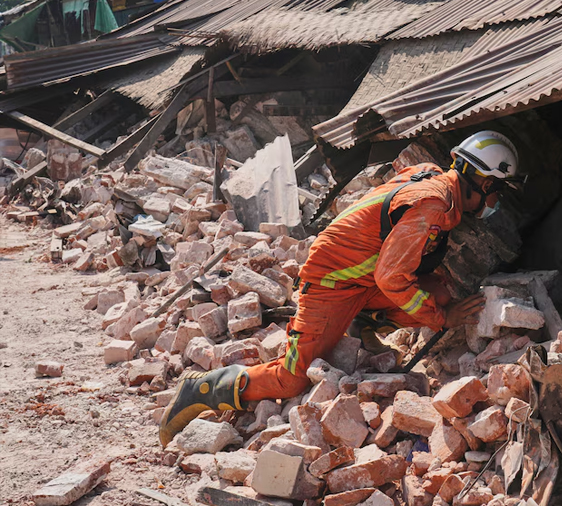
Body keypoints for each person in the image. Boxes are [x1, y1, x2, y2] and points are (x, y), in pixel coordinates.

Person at [159, 131, 520, 446]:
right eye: (499, 190)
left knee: (437, 293)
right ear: (485, 184)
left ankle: (361, 322)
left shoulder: (432, 178)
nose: (497, 201)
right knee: (291, 379)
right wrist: (441, 319)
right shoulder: (433, 205)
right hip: (331, 282)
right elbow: (392, 277)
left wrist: (438, 307)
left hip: (361, 279)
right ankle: (202, 388)